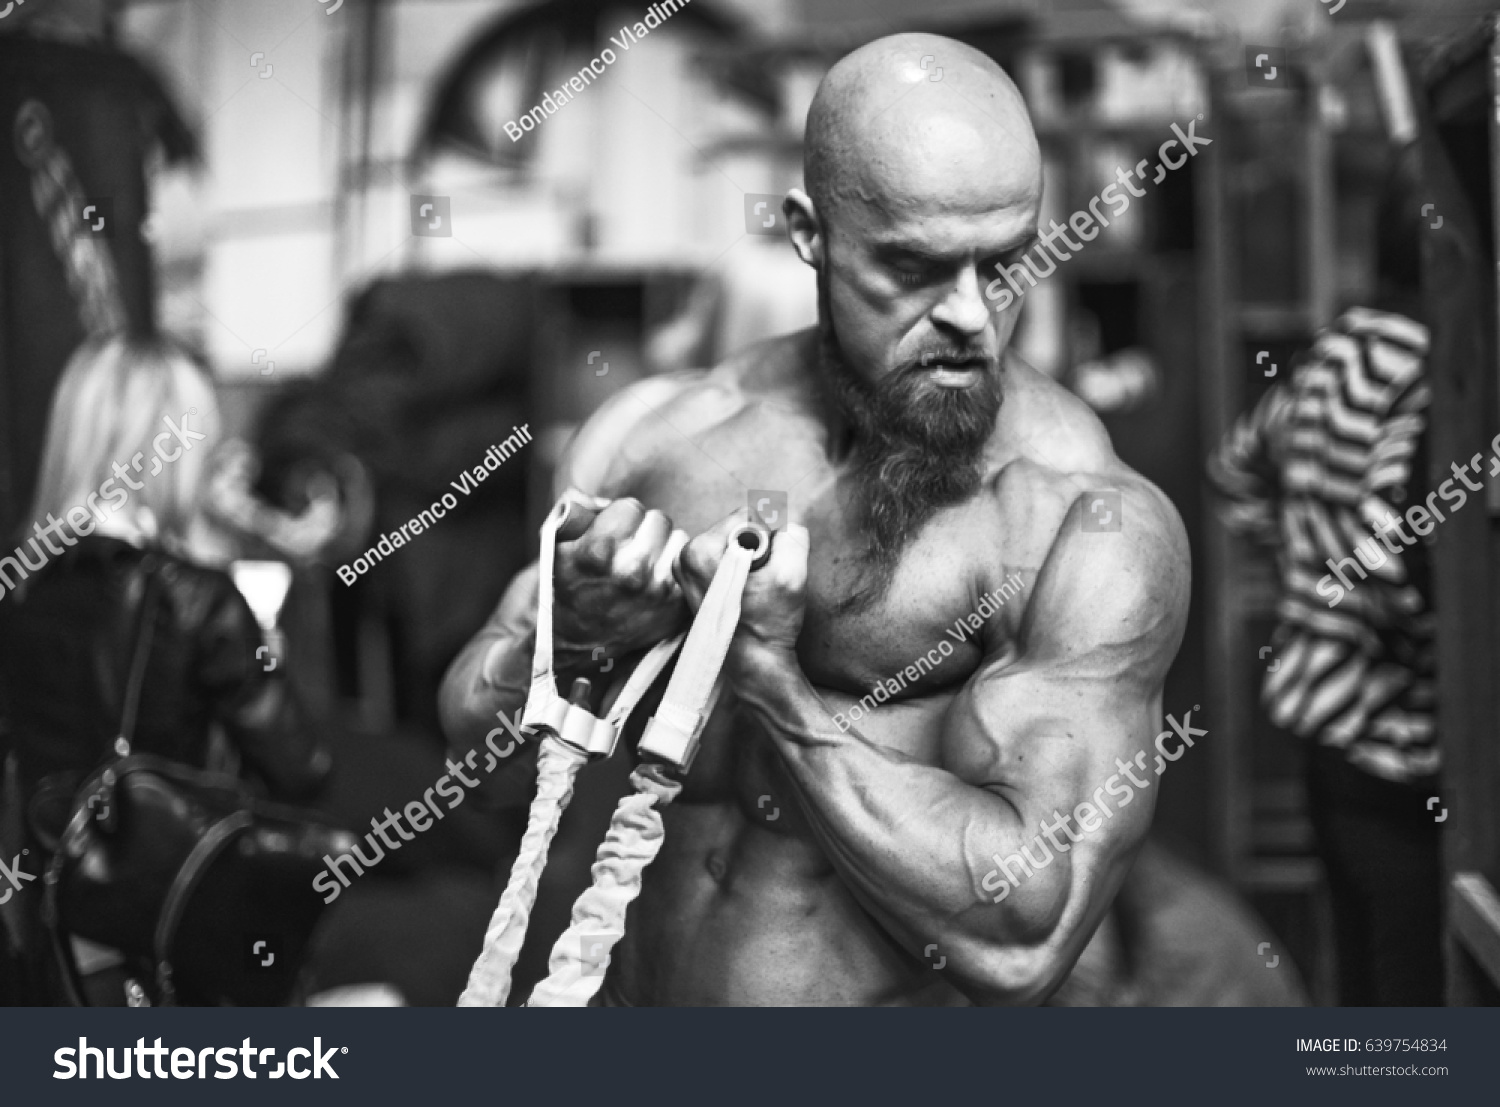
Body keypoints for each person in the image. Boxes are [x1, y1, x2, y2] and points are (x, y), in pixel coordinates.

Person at [441, 33, 1190, 1006]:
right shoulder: (657, 437)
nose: (970, 314)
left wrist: (769, 684)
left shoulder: (1078, 523)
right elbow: (475, 764)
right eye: (916, 268)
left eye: (1004, 262)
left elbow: (1024, 932)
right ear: (809, 233)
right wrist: (575, 648)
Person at [0, 334, 330, 1003]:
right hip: (172, 941)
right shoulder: (197, 597)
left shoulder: (19, 591)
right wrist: (267, 649)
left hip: (48, 943)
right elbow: (303, 768)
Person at [1207, 149, 1442, 1006]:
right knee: (1416, 998)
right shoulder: (1425, 377)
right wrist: (1414, 627)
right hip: (1398, 744)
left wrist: (1306, 569)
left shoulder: (1326, 354)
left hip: (1322, 727)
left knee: (1361, 973)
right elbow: (1395, 541)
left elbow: (1234, 473)